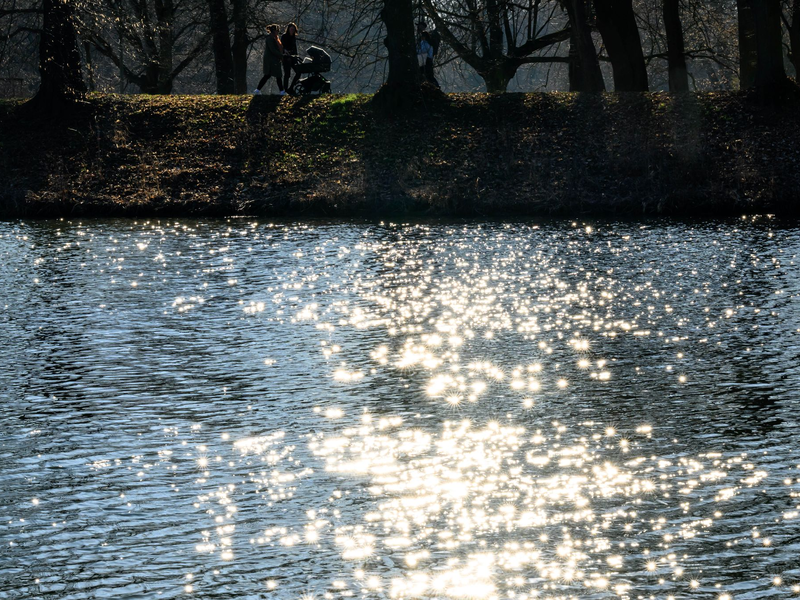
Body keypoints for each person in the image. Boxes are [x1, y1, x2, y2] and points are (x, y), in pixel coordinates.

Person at [254, 24, 285, 95]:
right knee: (277, 75)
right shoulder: (270, 39)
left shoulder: (273, 38)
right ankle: (282, 91)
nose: (278, 32)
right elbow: (273, 50)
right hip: (271, 60)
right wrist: (281, 55)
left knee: (268, 75)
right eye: (277, 31)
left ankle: (257, 90)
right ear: (274, 31)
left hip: (273, 59)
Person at [281, 23, 300, 92]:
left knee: (298, 72)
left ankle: (291, 87)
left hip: (293, 57)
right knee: (287, 74)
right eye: (291, 29)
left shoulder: (293, 37)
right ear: (288, 29)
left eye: (293, 29)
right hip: (286, 57)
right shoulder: (284, 36)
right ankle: (285, 89)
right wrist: (285, 51)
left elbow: (295, 48)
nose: (292, 30)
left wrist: (296, 56)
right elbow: (282, 46)